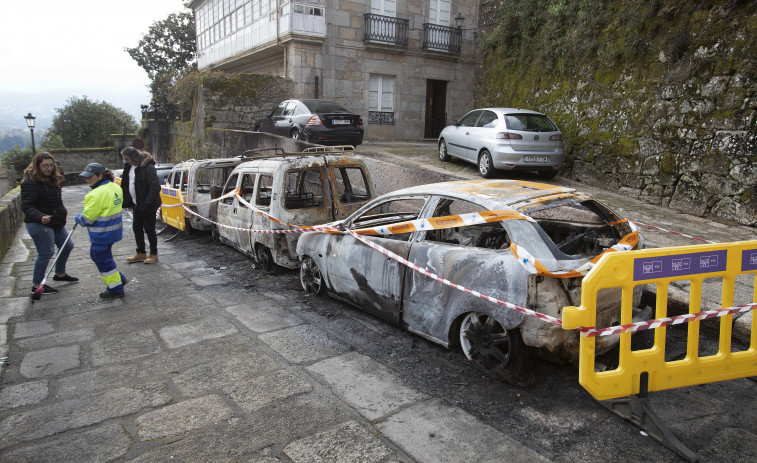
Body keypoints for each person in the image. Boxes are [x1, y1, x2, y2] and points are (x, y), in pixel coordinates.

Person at [21, 152, 78, 296]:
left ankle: (60, 274)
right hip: (38, 223)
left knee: (67, 245)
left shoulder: (53, 179)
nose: (48, 168)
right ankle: (37, 285)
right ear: (37, 166)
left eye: (51, 165)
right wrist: (40, 217)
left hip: (55, 222)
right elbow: (27, 206)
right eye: (44, 165)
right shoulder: (30, 182)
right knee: (46, 252)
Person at [75, 163, 127, 299]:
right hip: (114, 231)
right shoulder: (115, 187)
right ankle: (120, 278)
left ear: (100, 175)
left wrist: (78, 218)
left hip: (101, 233)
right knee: (97, 255)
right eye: (86, 177)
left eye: (90, 177)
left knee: (102, 259)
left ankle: (116, 289)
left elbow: (87, 219)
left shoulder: (95, 194)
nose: (87, 180)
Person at [120, 146, 161, 264]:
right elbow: (126, 183)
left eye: (127, 159)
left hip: (148, 205)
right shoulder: (129, 167)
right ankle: (141, 252)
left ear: (134, 157)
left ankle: (153, 254)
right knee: (137, 228)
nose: (125, 161)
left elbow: (155, 187)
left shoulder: (148, 167)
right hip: (136, 204)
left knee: (149, 229)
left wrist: (147, 203)